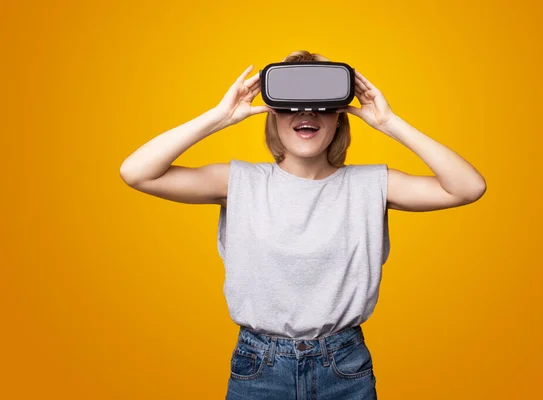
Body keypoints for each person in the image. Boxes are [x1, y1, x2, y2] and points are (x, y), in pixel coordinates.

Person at [119, 50, 486, 399]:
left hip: (344, 365)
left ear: (340, 115)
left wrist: (390, 123)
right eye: (292, 103)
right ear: (273, 114)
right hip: (259, 366)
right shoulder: (237, 182)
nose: (306, 113)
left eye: (321, 104)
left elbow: (469, 187)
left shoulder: (371, 184)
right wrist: (219, 117)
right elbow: (136, 172)